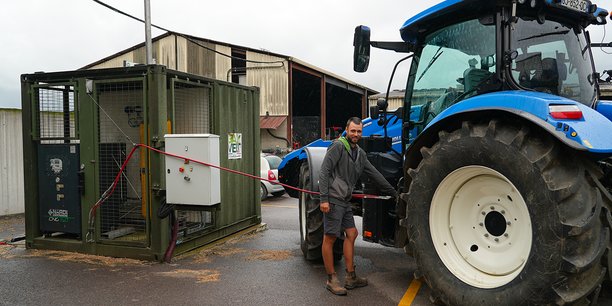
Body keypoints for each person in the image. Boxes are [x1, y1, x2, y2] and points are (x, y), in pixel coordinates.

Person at [318, 117, 397, 296]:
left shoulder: (360, 153)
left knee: (352, 233)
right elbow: (324, 171)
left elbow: (373, 173)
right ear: (347, 130)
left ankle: (350, 276)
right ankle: (331, 279)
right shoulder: (338, 146)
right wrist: (324, 199)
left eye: (359, 131)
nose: (356, 134)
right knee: (330, 237)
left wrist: (393, 192)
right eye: (353, 131)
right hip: (333, 198)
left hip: (344, 200)